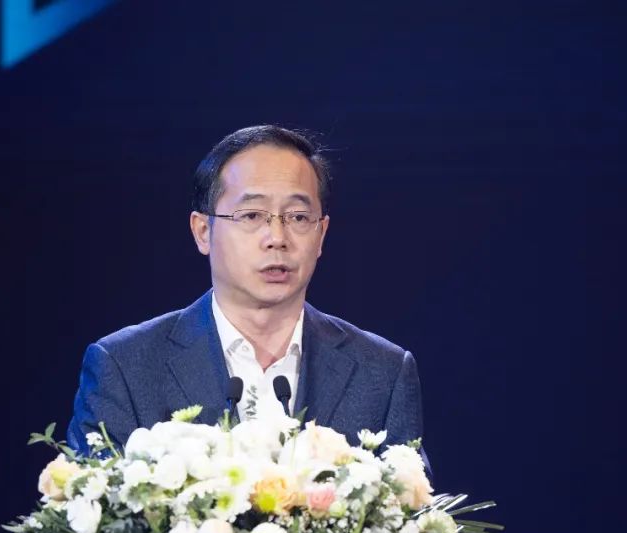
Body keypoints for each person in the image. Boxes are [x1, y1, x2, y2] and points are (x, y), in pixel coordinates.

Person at [67, 125, 429, 474]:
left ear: (321, 234)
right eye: (252, 215)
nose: (277, 237)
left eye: (298, 217)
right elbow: (90, 506)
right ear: (203, 231)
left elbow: (411, 509)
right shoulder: (125, 367)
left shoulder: (382, 372)